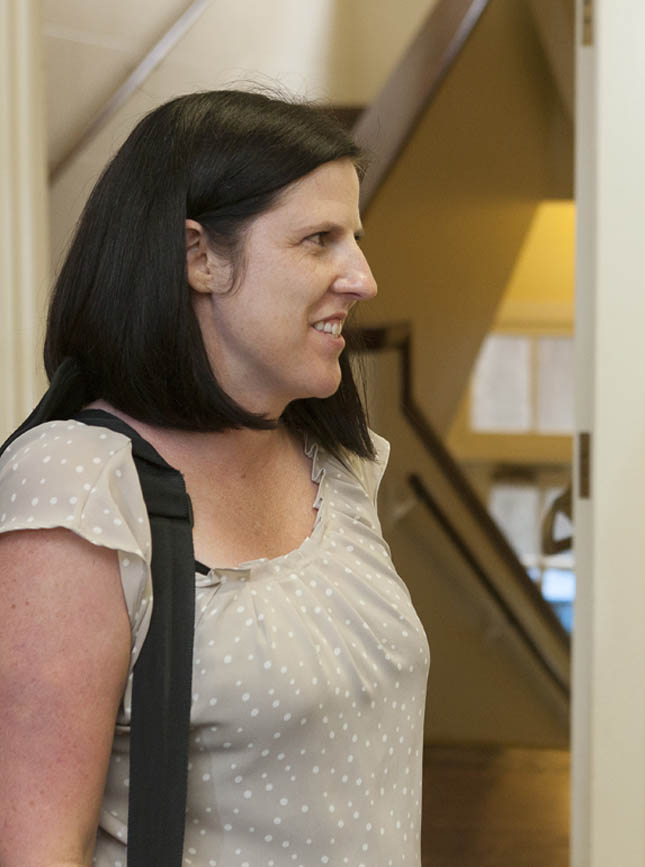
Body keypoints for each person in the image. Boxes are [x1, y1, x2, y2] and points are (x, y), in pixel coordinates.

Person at [0, 90, 429, 865]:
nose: (362, 278)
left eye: (354, 239)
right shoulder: (80, 485)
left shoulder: (338, 464)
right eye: (319, 240)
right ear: (199, 256)